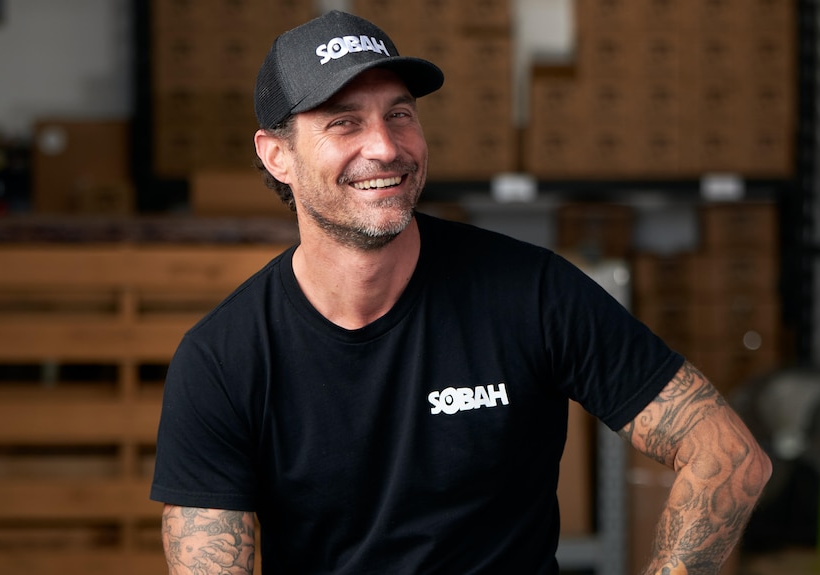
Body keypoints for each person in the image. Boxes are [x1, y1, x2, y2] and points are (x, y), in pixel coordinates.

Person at [151, 10, 772, 575]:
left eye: (400, 114)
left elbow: (730, 456)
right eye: (344, 122)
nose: (386, 147)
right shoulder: (223, 360)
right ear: (277, 155)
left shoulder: (530, 293)